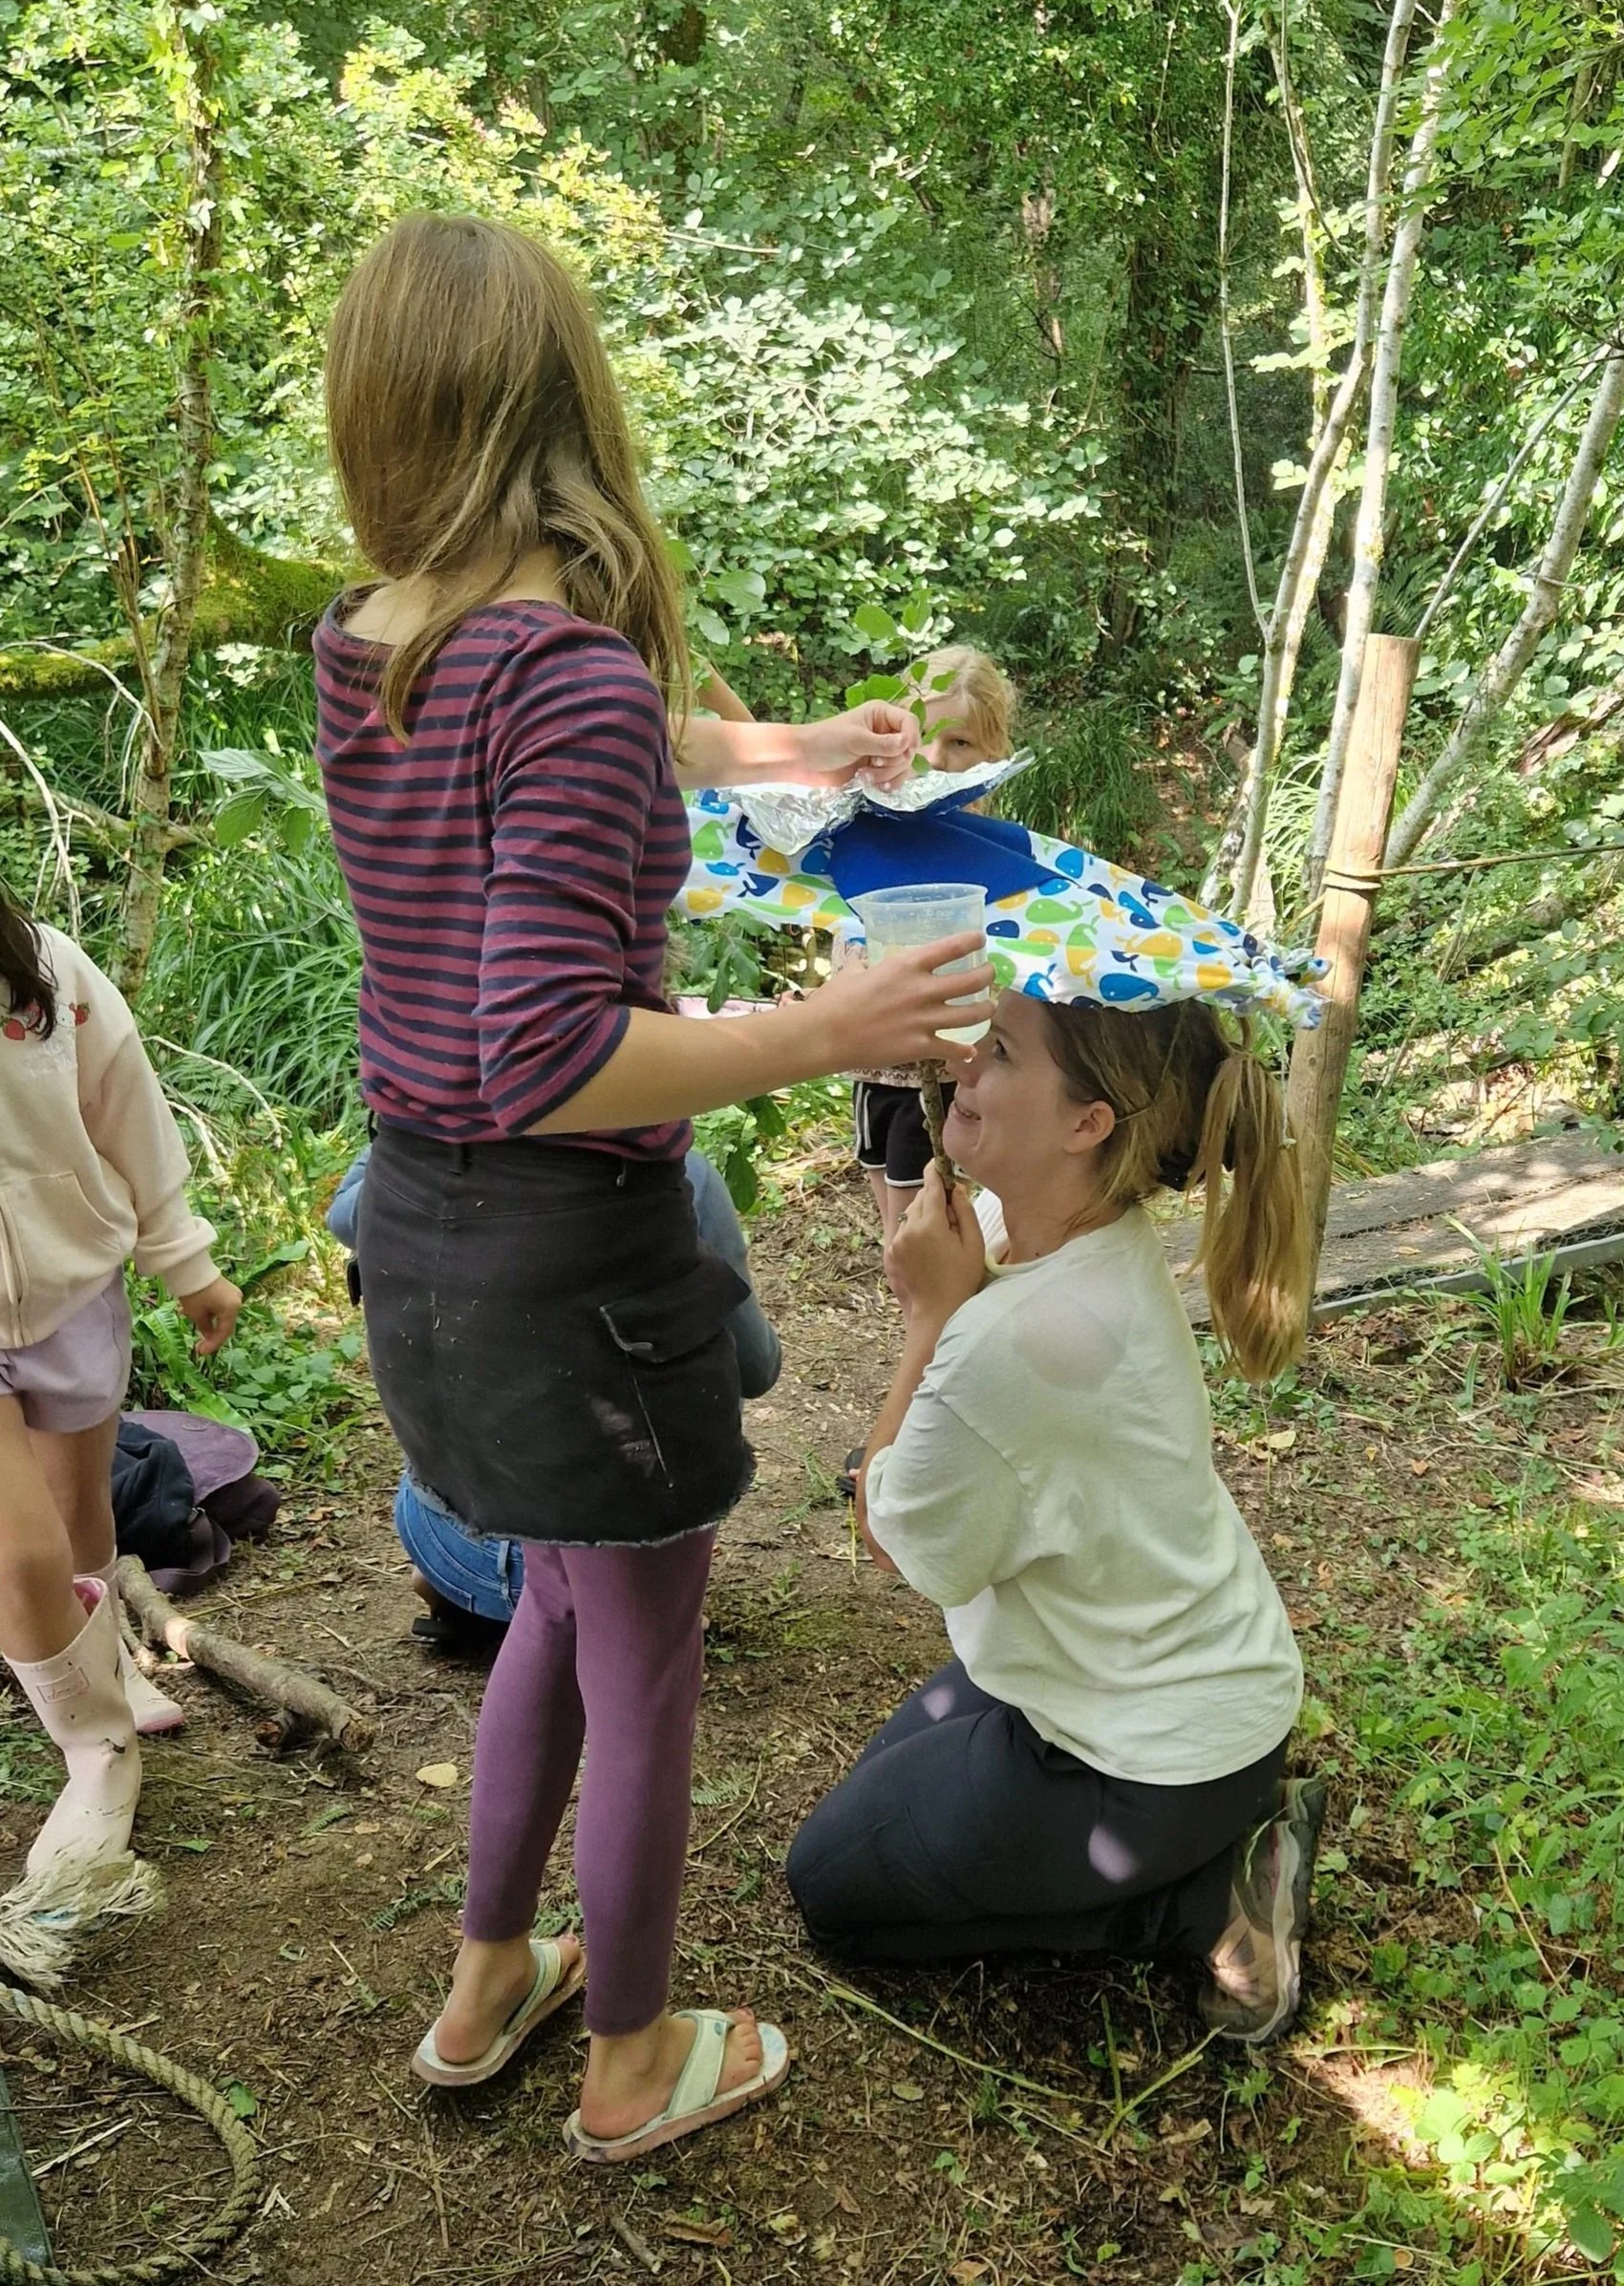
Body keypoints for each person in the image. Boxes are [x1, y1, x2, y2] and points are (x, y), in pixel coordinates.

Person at [314, 211, 993, 2162]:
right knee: (643, 1645)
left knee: (549, 1600)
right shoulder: (569, 677)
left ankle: (486, 1973)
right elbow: (552, 1047)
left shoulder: (373, 642)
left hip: (420, 1243)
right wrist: (827, 1026)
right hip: (572, 1258)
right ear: (564, 405)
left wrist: (786, 746)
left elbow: (581, 736)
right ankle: (624, 2058)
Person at [785, 991, 1327, 2047]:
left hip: (1153, 1759)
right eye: (974, 1044)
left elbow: (895, 1540)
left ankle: (1209, 1898)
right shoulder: (1031, 1226)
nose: (963, 1069)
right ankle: (1201, 1845)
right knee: (882, 1792)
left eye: (998, 1054)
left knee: (832, 1886)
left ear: (1090, 1124)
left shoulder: (1024, 1335)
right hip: (1141, 1679)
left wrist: (931, 1318)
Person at [0, 887, 241, 1877]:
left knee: (79, 1516)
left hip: (71, 1290)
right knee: (22, 1553)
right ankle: (96, 1746)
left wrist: (184, 1259)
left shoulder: (49, 975)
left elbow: (128, 1113)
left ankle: (100, 1664)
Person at [324, 1144, 783, 1642]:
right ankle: (640, 1611)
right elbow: (756, 1369)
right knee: (701, 1365)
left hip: (442, 1533)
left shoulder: (414, 1167)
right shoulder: (680, 1172)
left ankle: (470, 1593)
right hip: (604, 1557)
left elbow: (344, 1214)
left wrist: (417, 1134)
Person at [849, 647, 1016, 1247]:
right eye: (922, 736)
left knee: (926, 1243)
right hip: (875, 1076)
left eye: (961, 743)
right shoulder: (862, 832)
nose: (936, 760)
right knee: (901, 1242)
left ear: (992, 753)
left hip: (945, 1083)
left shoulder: (997, 857)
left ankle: (939, 1338)